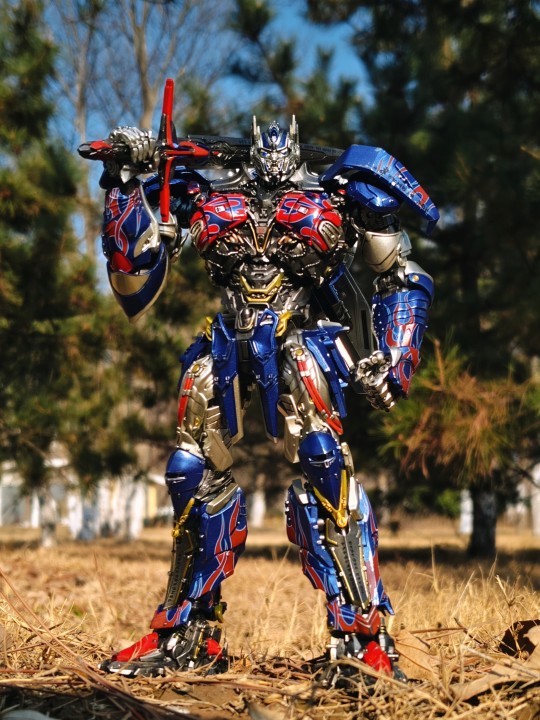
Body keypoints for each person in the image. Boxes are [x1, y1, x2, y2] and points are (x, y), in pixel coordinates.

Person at [92, 116, 438, 680]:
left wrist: (396, 358)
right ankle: (187, 635)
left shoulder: (338, 190)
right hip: (226, 339)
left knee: (326, 465)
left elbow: (400, 273)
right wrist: (124, 179)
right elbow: (133, 273)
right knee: (188, 471)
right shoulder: (202, 189)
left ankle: (361, 638)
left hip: (304, 337)